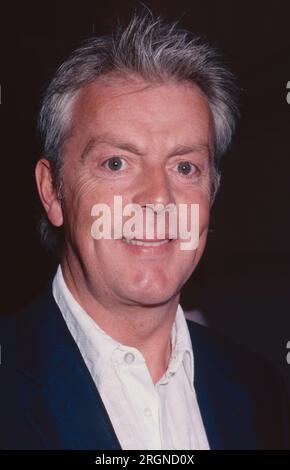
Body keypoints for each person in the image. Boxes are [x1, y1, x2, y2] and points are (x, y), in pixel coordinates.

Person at [0, 9, 289, 450]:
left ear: (211, 195)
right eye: (117, 163)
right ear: (53, 191)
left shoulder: (259, 390)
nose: (158, 198)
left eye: (185, 166)